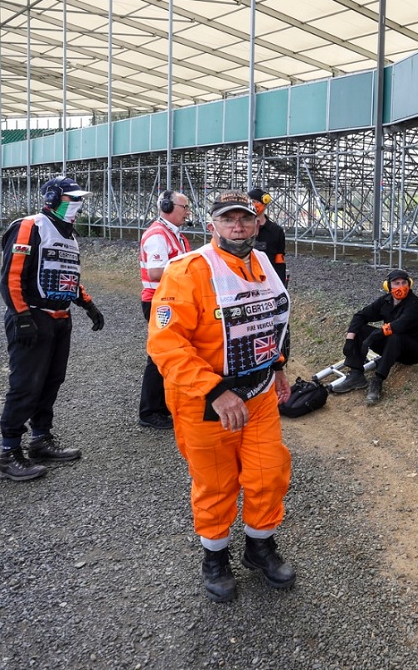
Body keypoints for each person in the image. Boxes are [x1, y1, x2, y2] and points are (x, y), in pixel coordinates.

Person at [146, 190, 297, 602]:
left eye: (245, 219)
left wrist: (279, 366)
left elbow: (270, 323)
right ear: (212, 224)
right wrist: (215, 390)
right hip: (205, 402)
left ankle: (259, 546)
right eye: (228, 219)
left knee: (269, 472)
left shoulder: (264, 263)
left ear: (256, 223)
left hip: (259, 392)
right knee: (215, 484)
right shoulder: (188, 271)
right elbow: (166, 344)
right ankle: (214, 556)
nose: (238, 226)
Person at [0, 175, 105, 481]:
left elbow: (66, 274)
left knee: (51, 381)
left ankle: (40, 439)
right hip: (32, 316)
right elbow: (11, 277)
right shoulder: (30, 226)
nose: (78, 206)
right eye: (73, 199)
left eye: (80, 200)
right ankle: (9, 453)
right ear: (54, 198)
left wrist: (88, 304)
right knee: (25, 385)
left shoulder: (70, 235)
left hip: (59, 319)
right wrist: (21, 316)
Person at [332, 268, 418, 405]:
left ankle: (377, 380)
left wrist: (372, 337)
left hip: (414, 350)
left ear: (409, 284)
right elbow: (360, 316)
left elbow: (398, 326)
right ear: (388, 286)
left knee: (395, 336)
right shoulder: (385, 301)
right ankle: (356, 374)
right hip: (393, 347)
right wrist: (350, 340)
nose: (401, 287)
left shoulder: (415, 304)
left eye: (404, 283)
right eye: (396, 283)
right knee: (360, 329)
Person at [137, 189, 191, 429]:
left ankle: (161, 405)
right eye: (184, 207)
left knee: (173, 353)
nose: (187, 212)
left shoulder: (175, 235)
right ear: (168, 207)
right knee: (159, 355)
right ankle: (150, 411)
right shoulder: (158, 235)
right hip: (159, 301)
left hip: (171, 300)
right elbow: (156, 272)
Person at [248, 188, 287, 286]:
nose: (251, 205)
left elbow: (279, 261)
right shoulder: (242, 228)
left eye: (254, 201)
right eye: (249, 202)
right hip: (247, 279)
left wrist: (280, 284)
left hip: (269, 280)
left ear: (264, 204)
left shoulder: (276, 231)